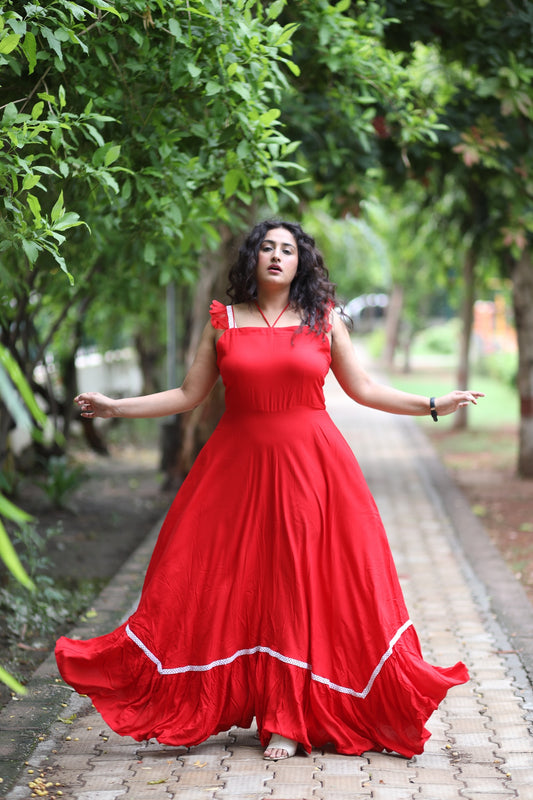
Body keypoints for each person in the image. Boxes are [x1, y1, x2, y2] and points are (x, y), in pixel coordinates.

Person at [56, 219, 484, 762]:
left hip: (312, 468)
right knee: (208, 577)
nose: (277, 256)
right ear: (252, 259)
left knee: (294, 581)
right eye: (267, 247)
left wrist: (430, 404)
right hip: (235, 470)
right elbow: (188, 395)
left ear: (301, 262)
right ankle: (228, 694)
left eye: (288, 249)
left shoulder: (324, 320)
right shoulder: (224, 320)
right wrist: (118, 407)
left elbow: (365, 389)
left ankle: (288, 716)